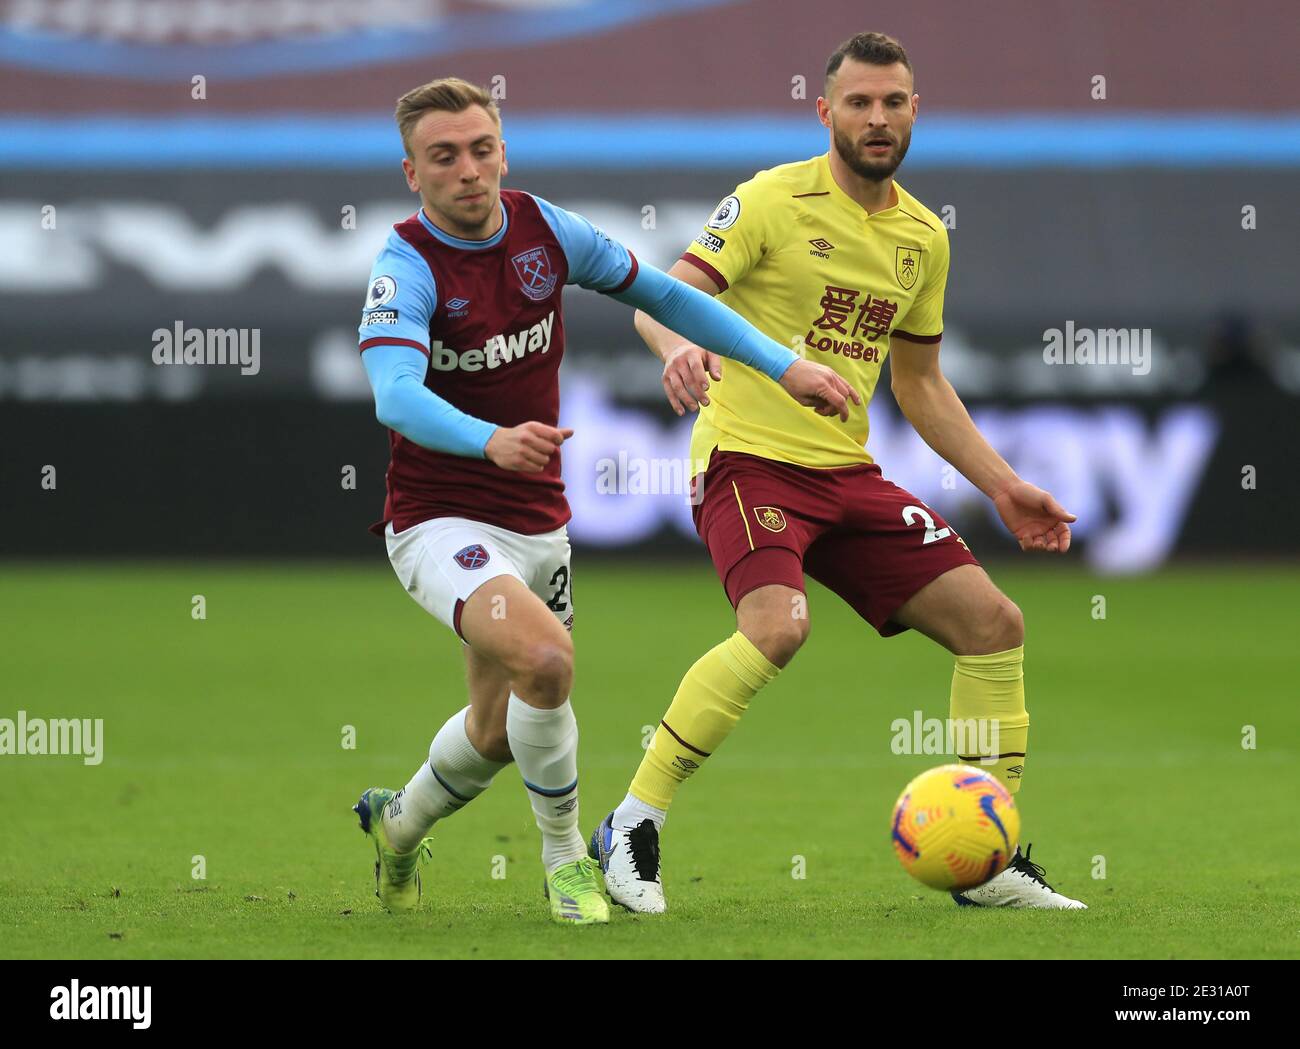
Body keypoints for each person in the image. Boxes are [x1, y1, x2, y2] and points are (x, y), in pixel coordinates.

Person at [591, 33, 1086, 912]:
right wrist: (674, 349)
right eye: (858, 103)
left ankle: (987, 855)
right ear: (825, 113)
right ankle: (632, 822)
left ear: (914, 111)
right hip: (748, 460)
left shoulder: (923, 237)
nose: (877, 118)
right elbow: (665, 294)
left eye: (893, 102)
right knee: (779, 627)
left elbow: (921, 384)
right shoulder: (769, 200)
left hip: (846, 473)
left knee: (993, 622)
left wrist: (1003, 484)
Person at [352, 77, 858, 924]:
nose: (468, 170)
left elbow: (664, 295)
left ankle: (397, 826)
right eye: (445, 157)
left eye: (482, 150)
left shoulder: (546, 231)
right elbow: (395, 395)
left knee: (493, 729)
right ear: (413, 172)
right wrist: (489, 440)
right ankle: (565, 865)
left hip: (538, 520)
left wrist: (785, 364)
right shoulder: (405, 266)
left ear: (503, 153)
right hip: (440, 517)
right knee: (547, 663)